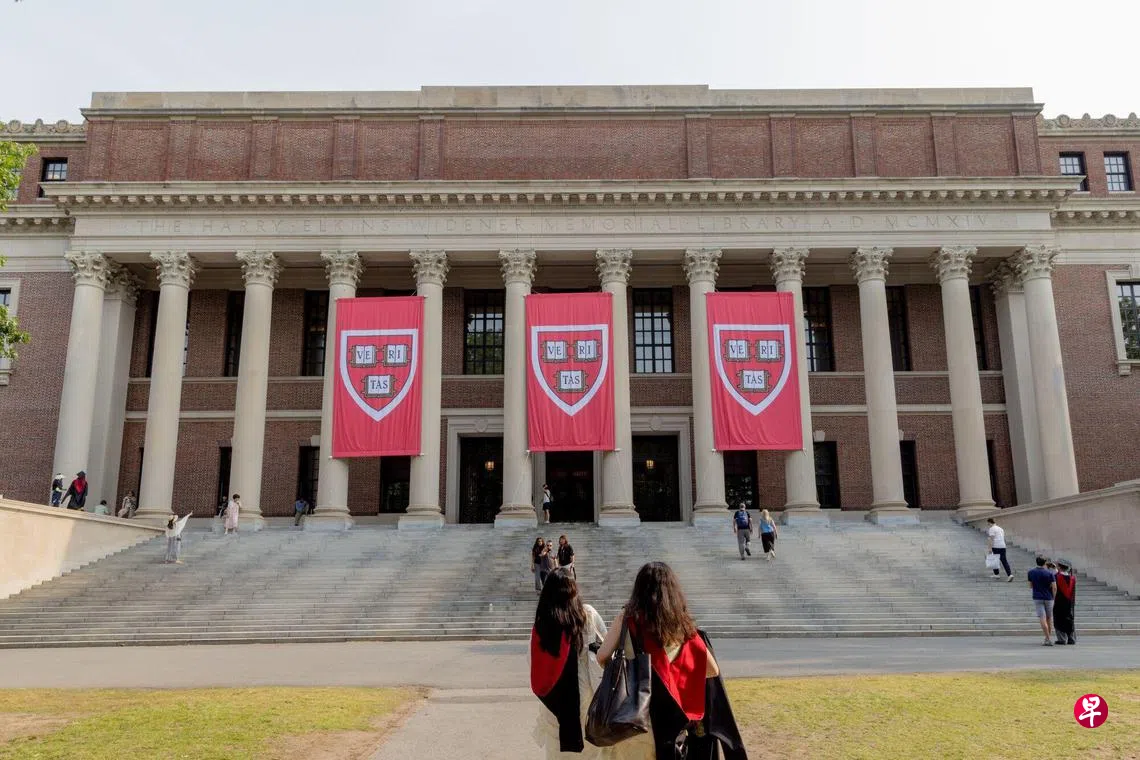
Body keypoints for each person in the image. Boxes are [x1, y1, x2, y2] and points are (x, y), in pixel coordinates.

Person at [597, 562, 746, 760]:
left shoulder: (628, 618)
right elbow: (712, 670)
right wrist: (677, 674)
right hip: (672, 725)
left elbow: (602, 656)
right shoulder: (681, 625)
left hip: (633, 719)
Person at [529, 568, 607, 759]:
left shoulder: (542, 623)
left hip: (553, 698)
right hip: (585, 693)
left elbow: (532, 661)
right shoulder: (587, 614)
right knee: (589, 751)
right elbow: (605, 645)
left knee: (557, 750)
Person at [1028, 556, 1058, 646]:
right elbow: (1054, 587)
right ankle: (1048, 638)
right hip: (1049, 598)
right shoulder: (1049, 573)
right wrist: (1054, 598)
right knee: (1049, 618)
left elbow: (1030, 586)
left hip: (1037, 597)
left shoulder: (1031, 572)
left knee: (1042, 617)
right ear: (1045, 563)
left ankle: (1047, 638)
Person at [1054, 560, 1077, 645]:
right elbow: (1073, 592)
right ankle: (1071, 638)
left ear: (1060, 567)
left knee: (1058, 620)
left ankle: (1062, 639)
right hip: (1069, 603)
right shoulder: (1073, 578)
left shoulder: (1056, 577)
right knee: (1069, 620)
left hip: (1059, 602)